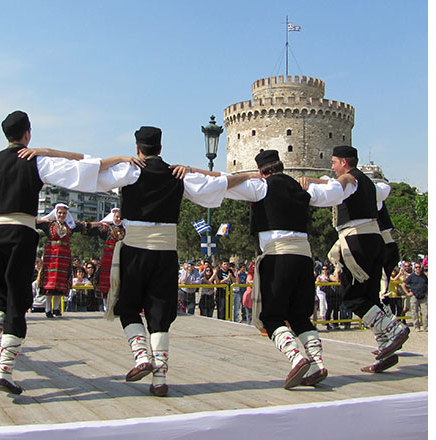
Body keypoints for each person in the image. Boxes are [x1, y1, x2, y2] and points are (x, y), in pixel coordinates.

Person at [0, 110, 140, 395]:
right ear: (27, 134)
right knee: (18, 300)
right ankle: (5, 370)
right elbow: (83, 164)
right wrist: (50, 151)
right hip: (19, 233)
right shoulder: (35, 160)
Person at [96, 125, 256, 396]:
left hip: (135, 250)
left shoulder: (130, 169)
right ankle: (160, 380)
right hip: (166, 253)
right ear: (161, 148)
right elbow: (222, 183)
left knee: (127, 307)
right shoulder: (178, 175)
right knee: (160, 315)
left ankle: (141, 357)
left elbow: (92, 171)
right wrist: (249, 174)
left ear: (138, 149)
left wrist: (120, 159)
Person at [225, 149, 349, 388]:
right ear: (281, 166)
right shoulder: (303, 188)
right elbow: (334, 193)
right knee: (300, 316)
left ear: (262, 170)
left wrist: (247, 176)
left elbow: (226, 186)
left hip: (277, 255)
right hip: (304, 257)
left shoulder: (261, 187)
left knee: (270, 316)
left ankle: (296, 357)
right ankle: (317, 363)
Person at [300, 145, 409, 372]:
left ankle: (392, 329)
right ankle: (385, 345)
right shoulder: (368, 183)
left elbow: (340, 184)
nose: (332, 167)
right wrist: (314, 180)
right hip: (373, 239)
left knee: (352, 297)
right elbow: (335, 182)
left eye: (334, 162)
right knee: (370, 297)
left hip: (358, 241)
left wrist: (312, 185)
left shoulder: (349, 179)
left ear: (343, 162)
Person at [36, 203, 91, 318]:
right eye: (60, 213)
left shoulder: (70, 226)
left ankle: (56, 308)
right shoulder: (49, 224)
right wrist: (42, 220)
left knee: (61, 282)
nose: (62, 215)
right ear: (56, 213)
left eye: (64, 213)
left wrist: (103, 223)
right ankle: (47, 309)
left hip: (64, 255)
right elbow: (34, 222)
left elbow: (86, 225)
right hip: (51, 255)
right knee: (49, 283)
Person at [92, 208, 126, 311]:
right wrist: (101, 223)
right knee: (106, 281)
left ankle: (115, 306)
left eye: (120, 217)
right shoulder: (107, 228)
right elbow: (90, 227)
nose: (118, 219)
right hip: (108, 256)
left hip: (120, 256)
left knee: (118, 280)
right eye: (116, 216)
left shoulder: (125, 230)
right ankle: (106, 306)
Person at [402, 262, 427, 332]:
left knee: (426, 312)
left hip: (422, 296)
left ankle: (426, 327)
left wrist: (426, 293)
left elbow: (427, 285)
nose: (418, 268)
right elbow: (403, 284)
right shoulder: (412, 276)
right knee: (414, 312)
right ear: (414, 268)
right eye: (416, 267)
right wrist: (408, 293)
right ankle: (417, 327)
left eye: (419, 267)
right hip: (414, 296)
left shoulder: (424, 276)